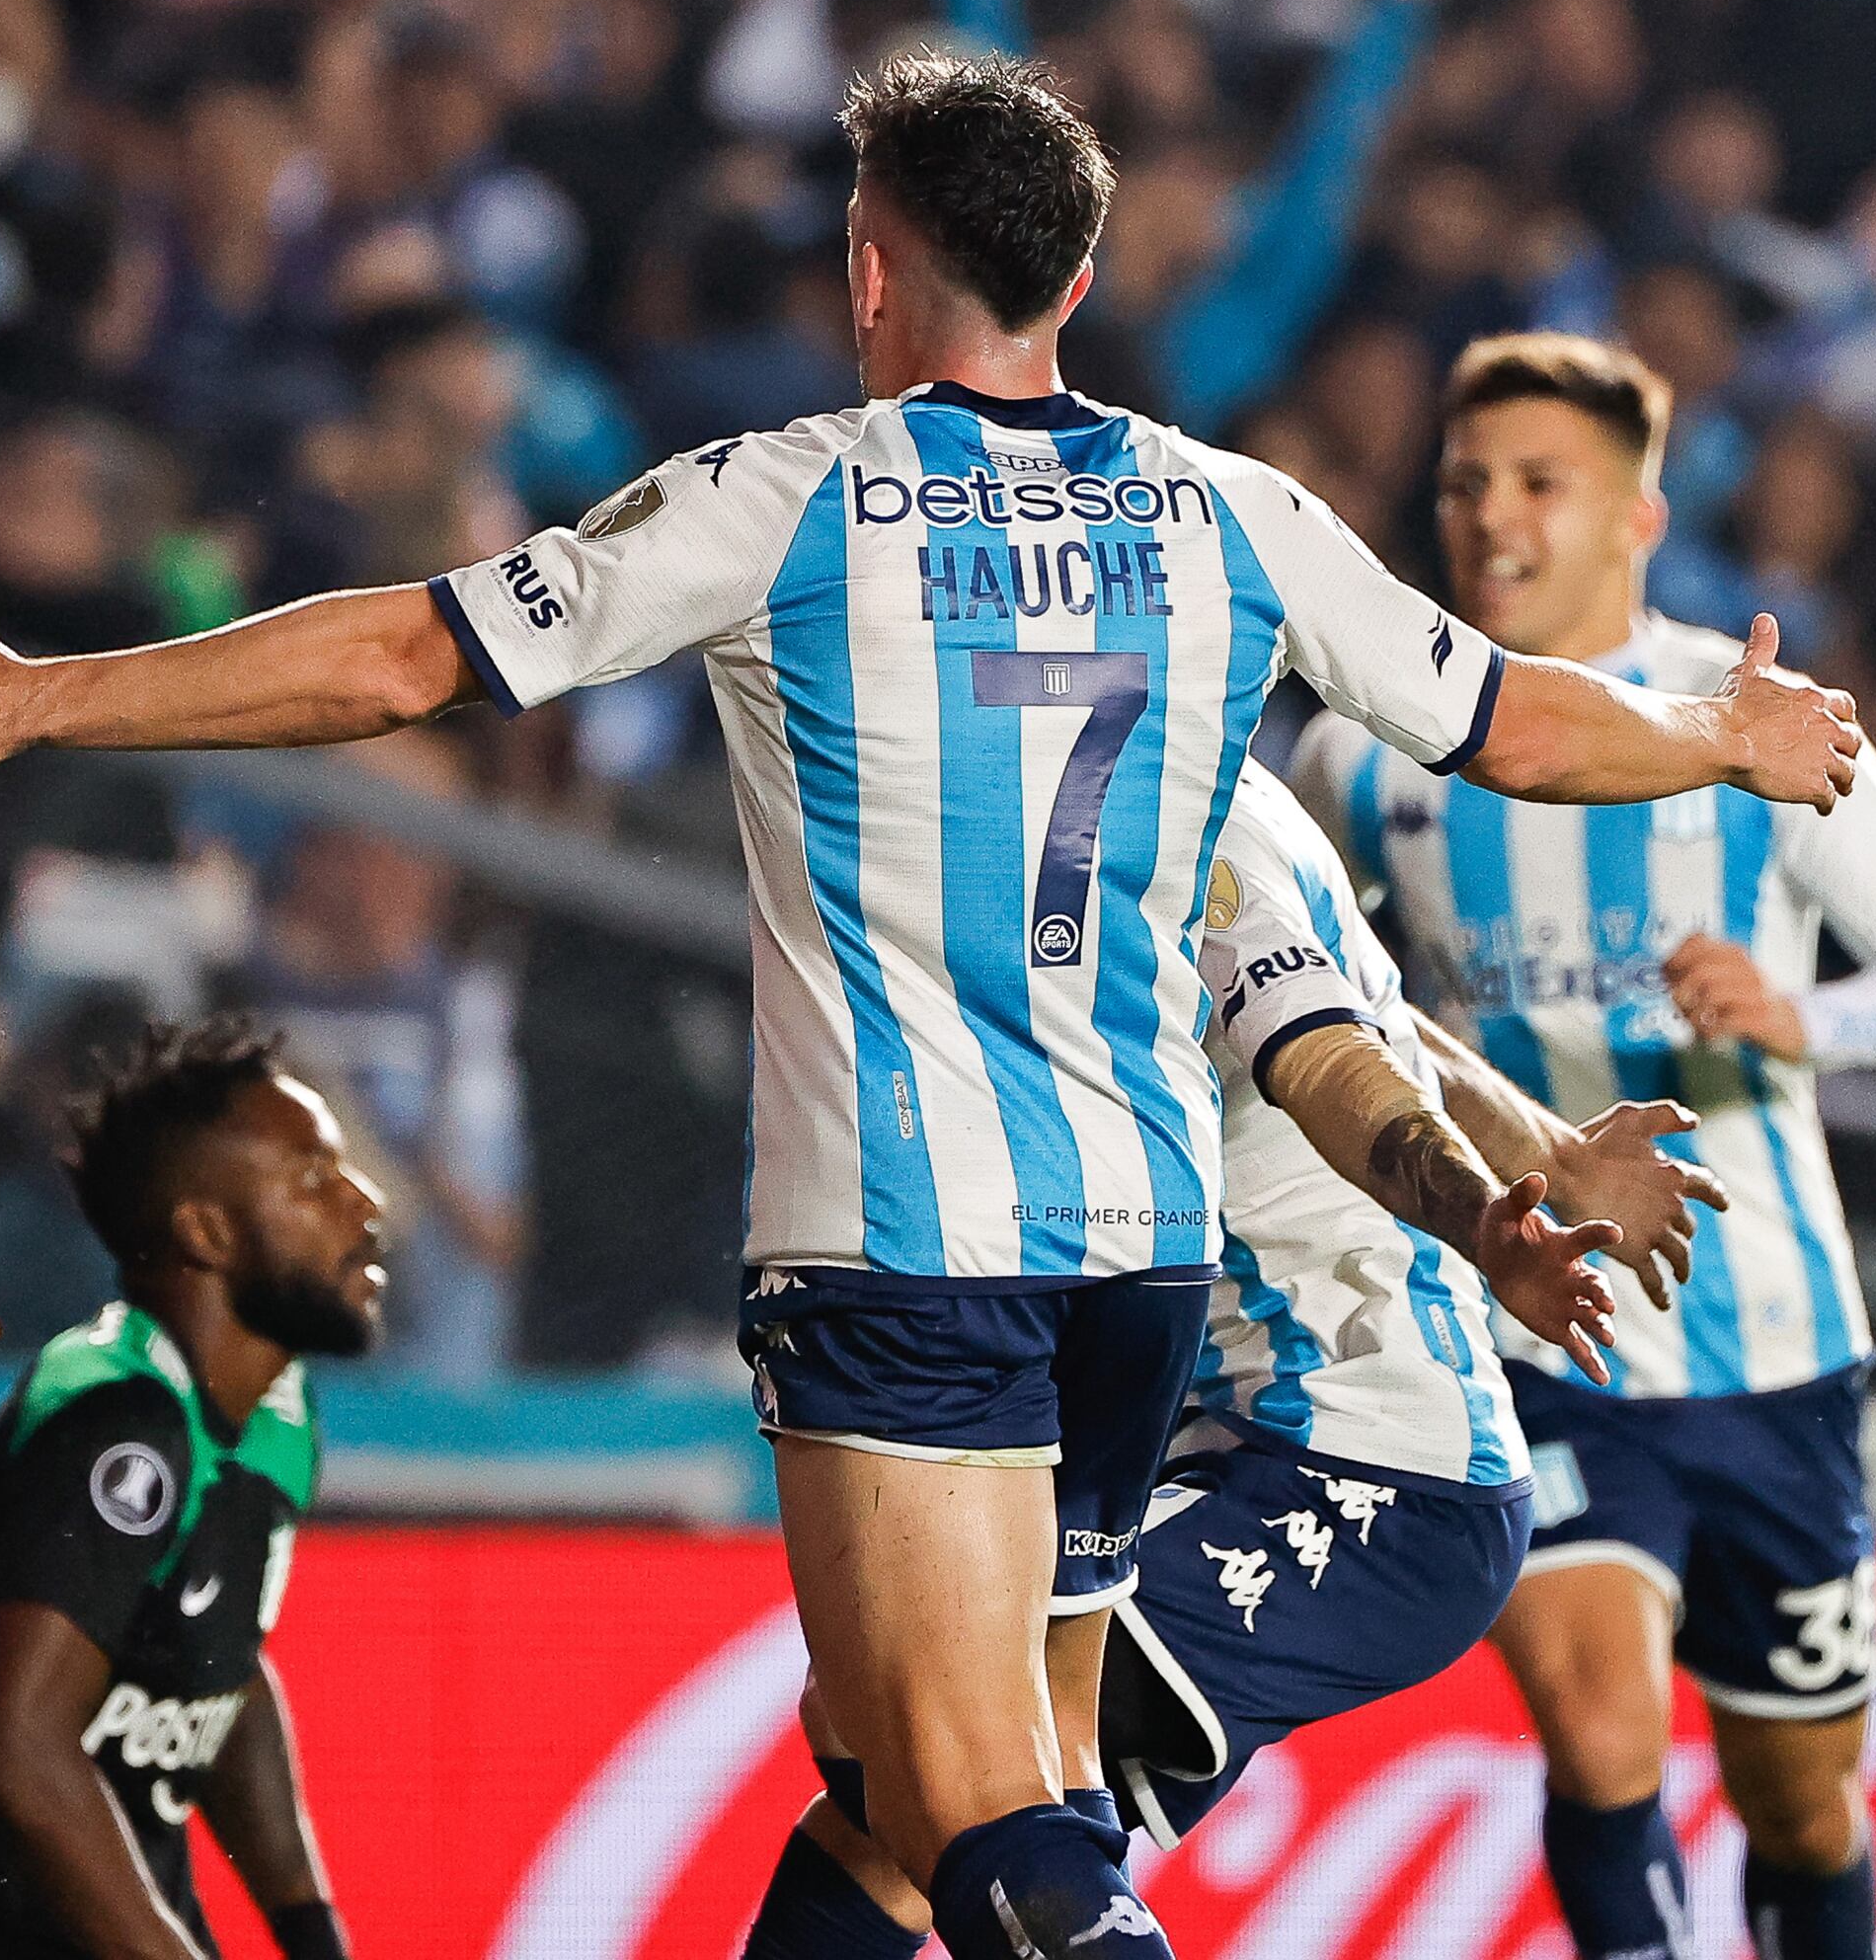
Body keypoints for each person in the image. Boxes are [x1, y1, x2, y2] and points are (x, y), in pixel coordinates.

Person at [0, 54, 1860, 1960]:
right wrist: (1723, 728)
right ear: (1078, 286)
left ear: (868, 269)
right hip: (1140, 1264)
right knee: (949, 1781)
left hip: (905, 1255)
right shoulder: (1231, 519)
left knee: (974, 1810)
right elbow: (1513, 717)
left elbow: (403, 657)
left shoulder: (790, 501)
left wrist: (44, 694)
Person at [734, 766, 1721, 1951]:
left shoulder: (1167, 819)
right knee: (904, 1817)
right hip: (1260, 1446)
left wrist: (1478, 1218)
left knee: (908, 1735)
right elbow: (1394, 1032)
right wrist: (1555, 1154)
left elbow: (1329, 1048)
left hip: (1369, 1468)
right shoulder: (1212, 774)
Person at [1294, 330, 1876, 1960]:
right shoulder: (1365, 748)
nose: (1491, 515)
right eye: (1467, 481)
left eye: (1540, 482)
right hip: (1547, 1332)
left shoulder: (1758, 723)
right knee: (1603, 1730)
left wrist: (1800, 1018)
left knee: (1801, 1805)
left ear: (1635, 512)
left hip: (1778, 1353)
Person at [0, 1019, 376, 1960]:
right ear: (204, 1231)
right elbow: (15, 1750)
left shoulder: (279, 1412)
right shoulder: (117, 1419)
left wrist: (311, 1935)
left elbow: (217, 1671)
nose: (364, 1203)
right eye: (310, 1179)